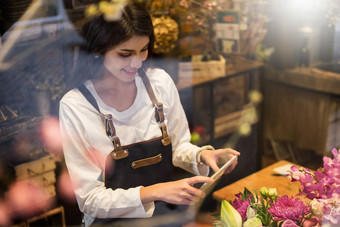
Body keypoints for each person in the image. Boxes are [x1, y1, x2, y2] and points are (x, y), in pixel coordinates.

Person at [59, 1, 240, 226]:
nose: (137, 62)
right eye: (125, 54)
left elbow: (178, 146)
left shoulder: (159, 83)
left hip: (163, 217)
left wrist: (203, 156)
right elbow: (90, 200)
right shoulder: (76, 106)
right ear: (97, 50)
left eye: (143, 49)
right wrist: (155, 191)